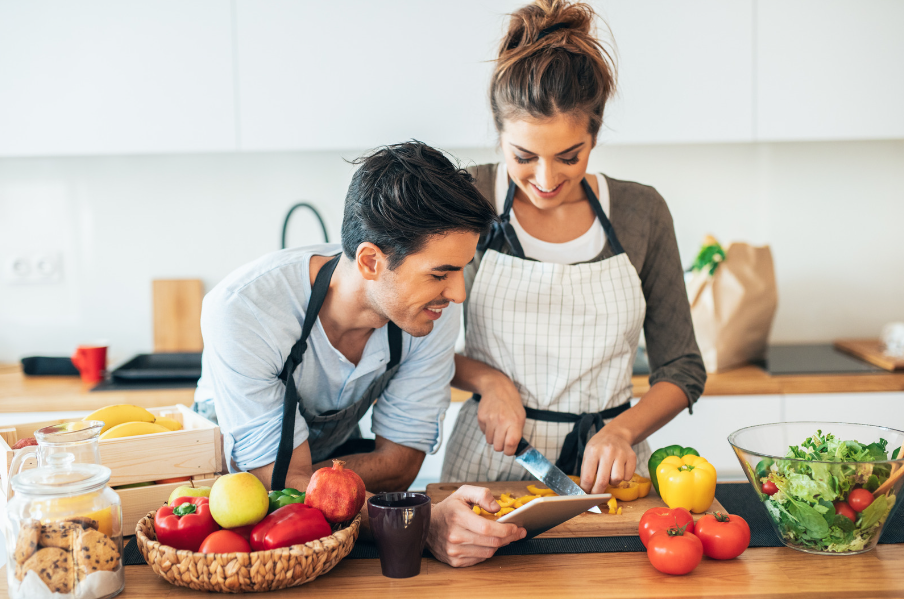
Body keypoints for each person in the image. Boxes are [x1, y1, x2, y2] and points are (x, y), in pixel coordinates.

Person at [193, 141, 525, 567]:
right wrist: (415, 520)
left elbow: (401, 464)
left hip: (329, 517)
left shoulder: (429, 311)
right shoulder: (245, 310)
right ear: (370, 261)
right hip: (231, 512)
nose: (458, 293)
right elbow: (277, 486)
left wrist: (312, 479)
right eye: (440, 273)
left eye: (461, 269)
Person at [441, 0, 707, 494]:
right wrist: (489, 383)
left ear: (595, 133)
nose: (545, 179)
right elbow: (414, 344)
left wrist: (622, 430)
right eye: (524, 156)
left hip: (609, 470)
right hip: (490, 463)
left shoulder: (640, 211)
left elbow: (682, 368)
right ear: (499, 134)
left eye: (569, 157)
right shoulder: (467, 198)